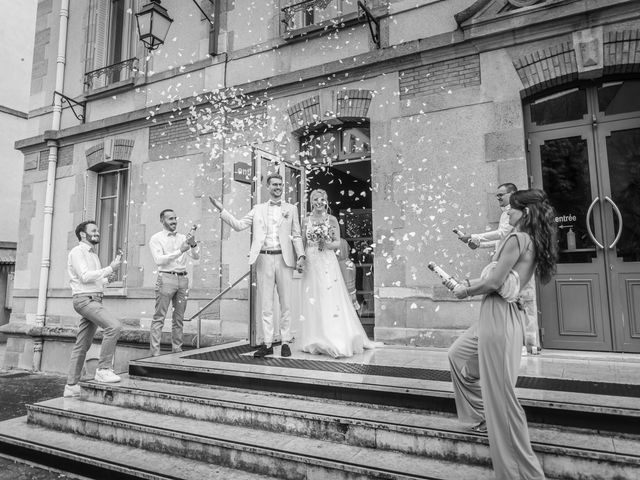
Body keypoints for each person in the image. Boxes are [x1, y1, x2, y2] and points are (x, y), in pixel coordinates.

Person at [447, 189, 558, 480]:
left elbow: (496, 281)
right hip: (499, 313)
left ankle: (523, 474)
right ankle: (479, 416)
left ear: (525, 213)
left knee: (502, 398)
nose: (507, 212)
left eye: (512, 208)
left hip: (500, 313)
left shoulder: (518, 238)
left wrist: (465, 289)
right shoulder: (531, 239)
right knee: (459, 355)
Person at [210, 173, 305, 358]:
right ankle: (267, 343)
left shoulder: (291, 209)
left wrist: (301, 255)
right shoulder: (258, 209)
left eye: (280, 184)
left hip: (284, 260)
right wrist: (222, 210)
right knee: (266, 305)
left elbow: (297, 235)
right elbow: (238, 225)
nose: (278, 187)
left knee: (286, 304)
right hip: (264, 258)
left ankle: (285, 341)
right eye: (274, 184)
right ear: (267, 187)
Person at [459, 183, 541, 353]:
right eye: (497, 195)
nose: (498, 198)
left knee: (523, 303)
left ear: (513, 194)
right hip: (507, 265)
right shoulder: (511, 217)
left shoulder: (518, 223)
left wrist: (474, 236)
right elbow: (500, 240)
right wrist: (478, 244)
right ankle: (521, 345)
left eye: (501, 195)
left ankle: (528, 345)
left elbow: (503, 234)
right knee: (516, 302)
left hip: (514, 267)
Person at [299, 189, 382, 358]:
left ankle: (334, 337)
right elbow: (302, 241)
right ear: (311, 201)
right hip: (311, 262)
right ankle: (315, 337)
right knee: (313, 298)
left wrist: (326, 243)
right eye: (316, 199)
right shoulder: (306, 220)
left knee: (329, 297)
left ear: (326, 201)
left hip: (327, 261)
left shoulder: (332, 219)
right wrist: (300, 259)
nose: (319, 202)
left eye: (322, 199)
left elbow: (337, 243)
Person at [64, 221, 123, 398]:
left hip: (94, 298)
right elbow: (84, 276)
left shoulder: (93, 255)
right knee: (114, 326)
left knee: (82, 344)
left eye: (98, 230)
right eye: (94, 230)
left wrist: (107, 279)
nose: (98, 233)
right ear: (83, 234)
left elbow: (94, 281)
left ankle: (71, 386)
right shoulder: (77, 252)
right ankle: (103, 369)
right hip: (85, 300)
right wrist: (109, 268)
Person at [148, 209, 200, 356]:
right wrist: (180, 250)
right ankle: (154, 354)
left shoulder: (183, 237)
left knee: (179, 318)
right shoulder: (156, 238)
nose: (174, 221)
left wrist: (193, 244)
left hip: (183, 279)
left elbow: (196, 257)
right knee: (159, 317)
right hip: (166, 278)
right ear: (162, 220)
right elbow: (158, 260)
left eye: (175, 218)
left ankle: (177, 350)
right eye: (170, 219)